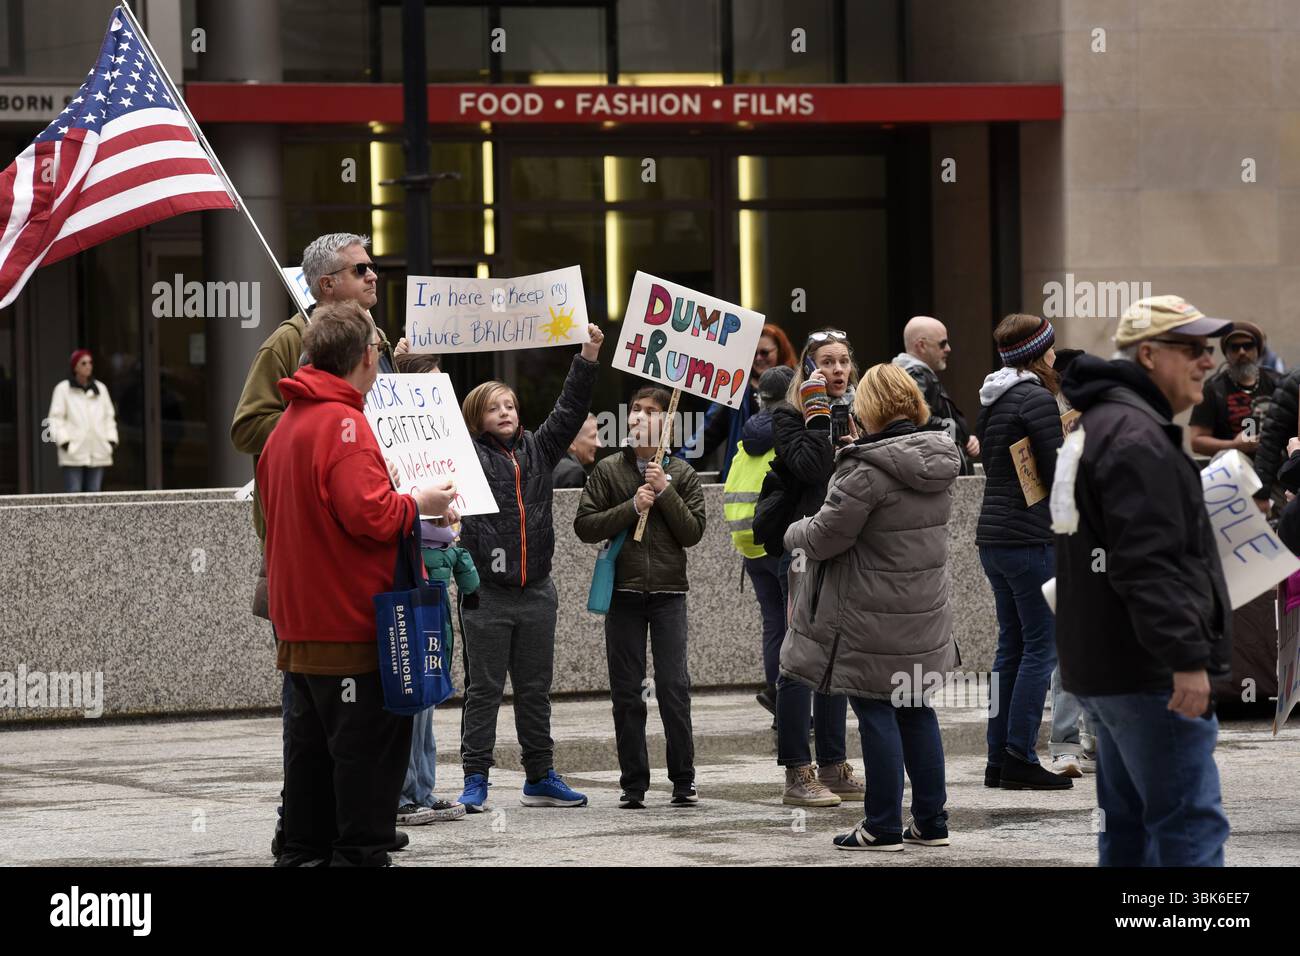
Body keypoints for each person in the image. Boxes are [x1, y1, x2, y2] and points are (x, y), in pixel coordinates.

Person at [257, 301, 458, 867]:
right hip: (350, 632)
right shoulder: (344, 425)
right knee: (365, 773)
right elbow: (369, 516)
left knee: (311, 772)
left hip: (301, 630)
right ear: (367, 357)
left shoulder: (288, 425)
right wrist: (419, 504)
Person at [1055, 294, 1233, 867]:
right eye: (1194, 350)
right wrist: (1186, 656)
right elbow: (1148, 564)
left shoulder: (1108, 424)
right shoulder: (1135, 435)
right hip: (1148, 670)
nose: (1209, 361)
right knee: (1185, 829)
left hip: (1111, 667)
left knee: (1129, 832)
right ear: (1151, 355)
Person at [783, 364, 960, 851]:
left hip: (870, 618)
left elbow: (822, 538)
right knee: (916, 710)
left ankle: (881, 825)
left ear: (870, 409)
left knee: (876, 710)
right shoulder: (938, 461)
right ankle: (931, 822)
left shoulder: (865, 470)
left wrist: (792, 529)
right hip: (923, 616)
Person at [455, 325, 604, 812]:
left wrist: (587, 354)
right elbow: (424, 418)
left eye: (511, 406)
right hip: (487, 595)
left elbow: (570, 408)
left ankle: (539, 775)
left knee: (535, 691)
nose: (505, 413)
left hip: (537, 592)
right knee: (484, 691)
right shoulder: (467, 457)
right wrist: (411, 364)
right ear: (476, 417)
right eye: (494, 407)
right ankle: (476, 777)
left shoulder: (539, 449)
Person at [574, 386, 707, 808]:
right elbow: (585, 525)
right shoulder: (608, 471)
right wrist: (631, 507)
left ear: (667, 422)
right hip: (624, 594)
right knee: (627, 692)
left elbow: (693, 533)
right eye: (633, 411)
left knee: (672, 687)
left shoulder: (682, 473)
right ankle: (633, 783)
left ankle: (683, 779)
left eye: (650, 412)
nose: (637, 418)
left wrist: (665, 491)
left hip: (669, 594)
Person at [974, 314, 1071, 790]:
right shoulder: (1035, 397)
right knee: (1041, 647)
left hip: (994, 538)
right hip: (1030, 536)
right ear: (1039, 353)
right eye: (1051, 349)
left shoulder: (994, 397)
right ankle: (1018, 755)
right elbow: (1057, 473)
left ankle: (999, 757)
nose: (1056, 356)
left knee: (1010, 647)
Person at [769, 329, 865, 807]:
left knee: (837, 659)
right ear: (809, 368)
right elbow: (809, 470)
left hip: (845, 549)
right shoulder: (787, 415)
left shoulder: (858, 413)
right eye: (827, 362)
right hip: (802, 548)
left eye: (844, 361)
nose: (838, 371)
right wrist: (818, 417)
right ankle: (797, 771)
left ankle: (832, 762)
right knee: (800, 661)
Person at [388, 350, 467, 826]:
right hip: (403, 585)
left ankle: (422, 787)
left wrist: (444, 519)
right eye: (432, 385)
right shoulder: (387, 437)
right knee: (408, 693)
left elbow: (432, 531)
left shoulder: (441, 440)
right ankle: (400, 793)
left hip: (429, 585)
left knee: (429, 692)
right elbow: (392, 515)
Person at [724, 365, 795, 716]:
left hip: (749, 547)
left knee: (774, 624)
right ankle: (791, 704)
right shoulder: (787, 436)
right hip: (779, 545)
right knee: (795, 625)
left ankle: (776, 694)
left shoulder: (745, 439)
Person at [1042, 348, 1096, 775]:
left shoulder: (1108, 421)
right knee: (1069, 645)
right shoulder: (1044, 414)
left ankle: (1092, 737)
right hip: (1069, 543)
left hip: (1102, 544)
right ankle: (1065, 742)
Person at [679, 322, 796, 478]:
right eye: (753, 354)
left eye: (765, 353)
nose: (758, 358)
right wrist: (675, 466)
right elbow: (705, 435)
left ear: (780, 351)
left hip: (787, 478)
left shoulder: (797, 389)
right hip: (745, 480)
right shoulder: (735, 390)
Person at [893, 315, 979, 474]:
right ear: (921, 346)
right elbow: (917, 419)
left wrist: (964, 439)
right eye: (942, 343)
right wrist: (960, 434)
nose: (948, 349)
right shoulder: (916, 374)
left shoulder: (912, 375)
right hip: (937, 476)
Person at [1189, 320, 1279, 460]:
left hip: (1275, 470)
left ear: (1258, 350)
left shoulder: (1277, 382)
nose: (1242, 352)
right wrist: (1234, 445)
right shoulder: (1213, 388)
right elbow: (1197, 441)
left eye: (1248, 346)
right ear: (1227, 353)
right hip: (1232, 472)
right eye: (1234, 347)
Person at [48, 349, 118, 493]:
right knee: (74, 495)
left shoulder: (101, 389)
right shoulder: (62, 390)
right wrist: (65, 443)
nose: (88, 366)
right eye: (83, 363)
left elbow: (108, 417)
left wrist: (110, 440)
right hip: (73, 452)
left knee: (94, 495)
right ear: (75, 367)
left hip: (98, 450)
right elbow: (55, 419)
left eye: (90, 362)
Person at [552, 413, 601, 488]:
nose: (599, 444)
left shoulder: (547, 465)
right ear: (571, 442)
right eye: (593, 437)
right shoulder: (573, 473)